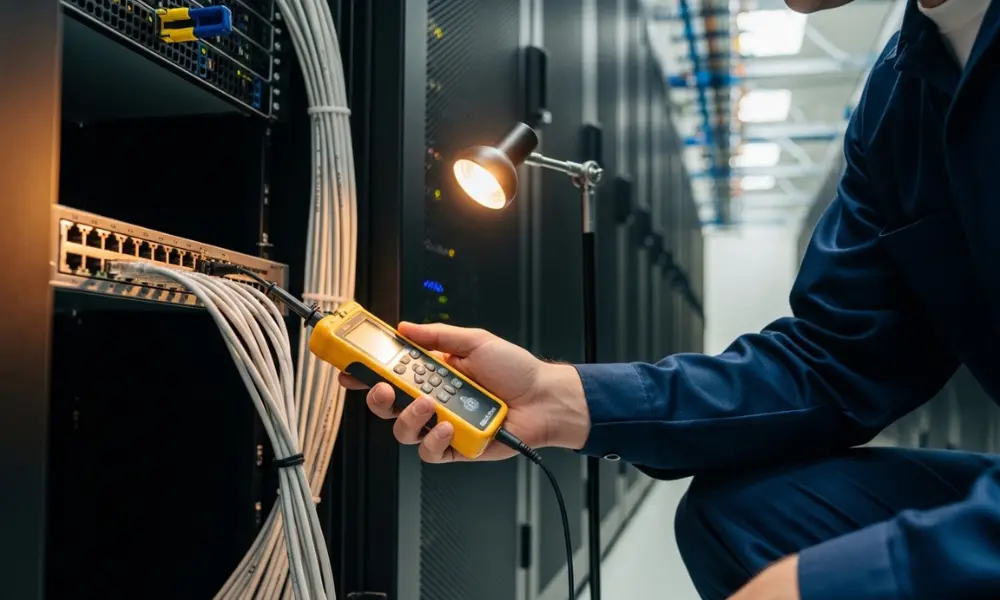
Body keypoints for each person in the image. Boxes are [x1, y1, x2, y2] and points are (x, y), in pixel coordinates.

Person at [342, 0, 1000, 598]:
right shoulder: (901, 97)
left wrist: (850, 580)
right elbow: (835, 361)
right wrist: (553, 397)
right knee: (743, 516)